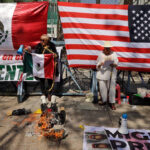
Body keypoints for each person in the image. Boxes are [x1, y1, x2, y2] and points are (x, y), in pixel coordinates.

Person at [24, 34, 58, 102]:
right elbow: (36, 55)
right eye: (40, 40)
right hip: (41, 65)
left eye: (43, 40)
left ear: (47, 40)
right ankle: (43, 93)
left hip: (49, 65)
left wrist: (54, 55)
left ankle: (49, 93)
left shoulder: (52, 45)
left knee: (50, 80)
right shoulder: (39, 45)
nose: (41, 41)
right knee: (42, 80)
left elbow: (56, 54)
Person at [96, 41, 118, 110]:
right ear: (104, 48)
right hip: (102, 74)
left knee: (111, 89)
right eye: (106, 48)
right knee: (102, 88)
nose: (107, 50)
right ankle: (104, 100)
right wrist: (100, 65)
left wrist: (113, 64)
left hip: (111, 74)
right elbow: (97, 65)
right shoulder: (100, 54)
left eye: (109, 49)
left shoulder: (114, 54)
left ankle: (112, 103)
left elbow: (116, 63)